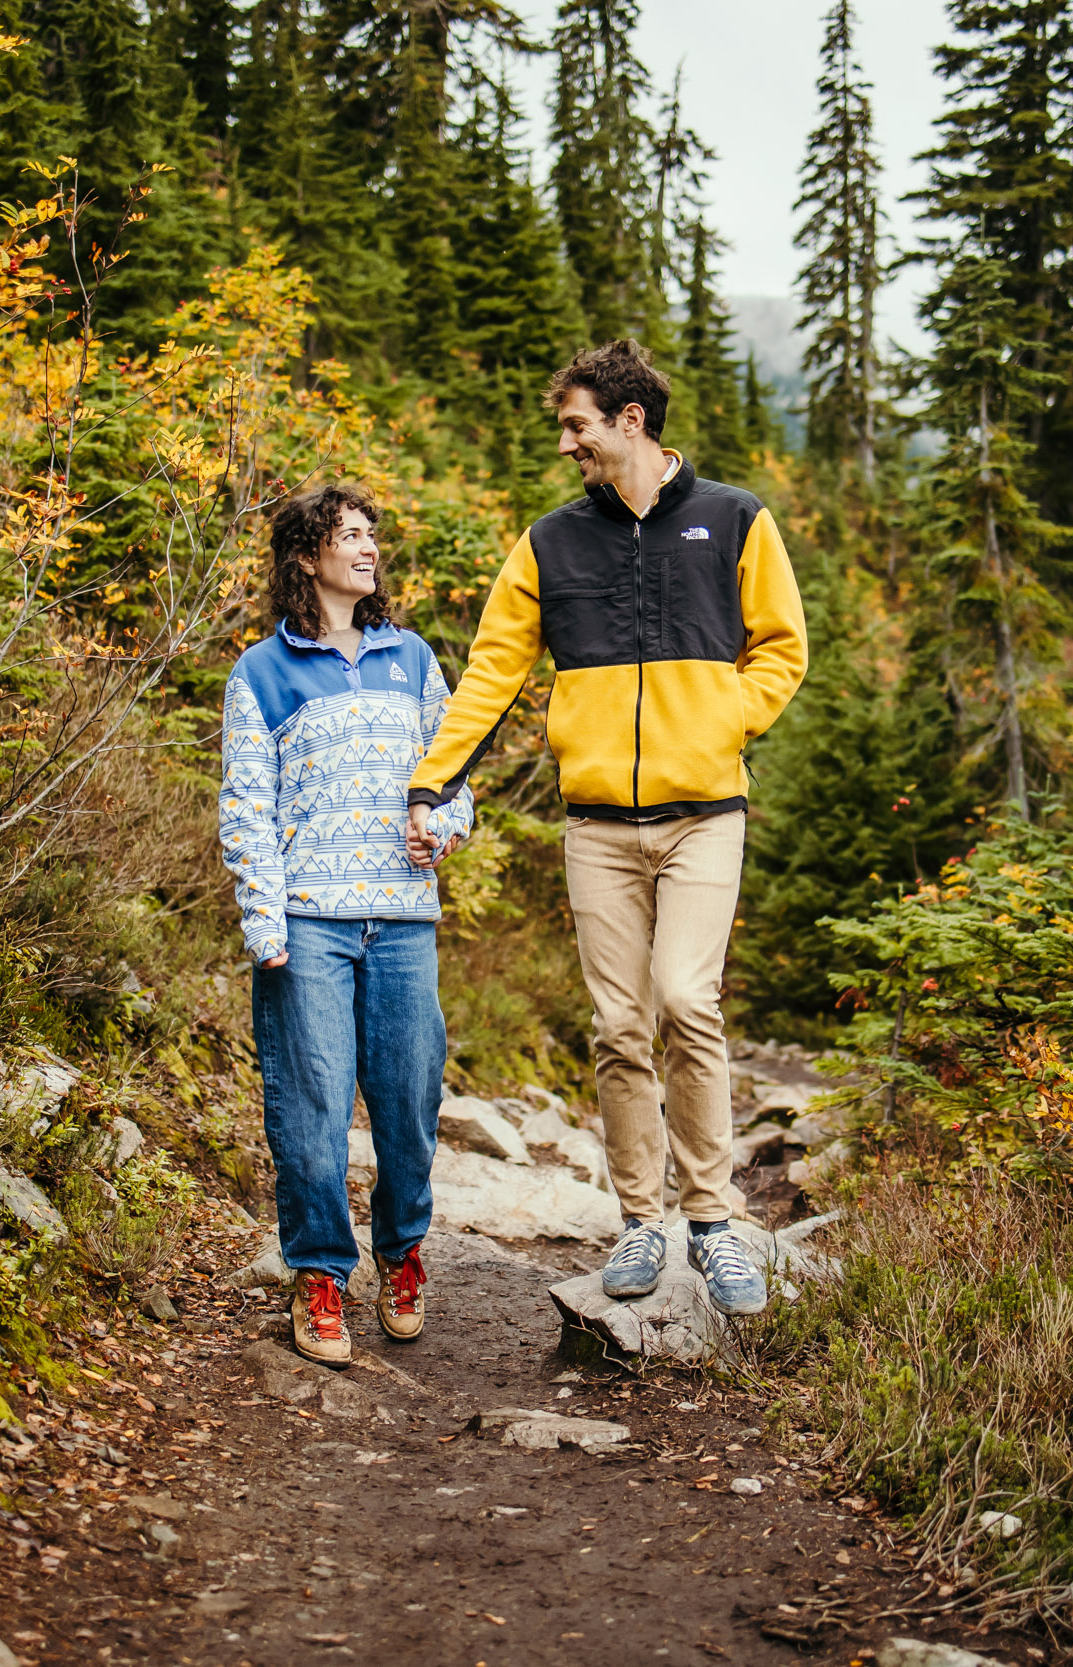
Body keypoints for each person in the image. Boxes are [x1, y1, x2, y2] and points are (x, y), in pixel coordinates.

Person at [405, 340, 807, 1316]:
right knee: (620, 1023)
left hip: (704, 812)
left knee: (685, 999)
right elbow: (491, 675)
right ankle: (639, 1218)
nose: (565, 444)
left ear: (631, 421)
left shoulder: (735, 519)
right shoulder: (549, 541)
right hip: (595, 825)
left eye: (577, 426)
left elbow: (782, 649)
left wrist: (721, 725)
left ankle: (711, 1222)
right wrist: (431, 782)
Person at [220, 483, 473, 1365]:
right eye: (350, 535)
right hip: (309, 922)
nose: (369, 548)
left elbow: (453, 777)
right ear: (306, 557)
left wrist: (439, 824)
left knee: (409, 1101)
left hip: (403, 919)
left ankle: (402, 1254)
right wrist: (266, 921)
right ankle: (321, 1274)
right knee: (314, 1108)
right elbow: (246, 805)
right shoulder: (261, 671)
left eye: (372, 534)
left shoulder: (412, 658)